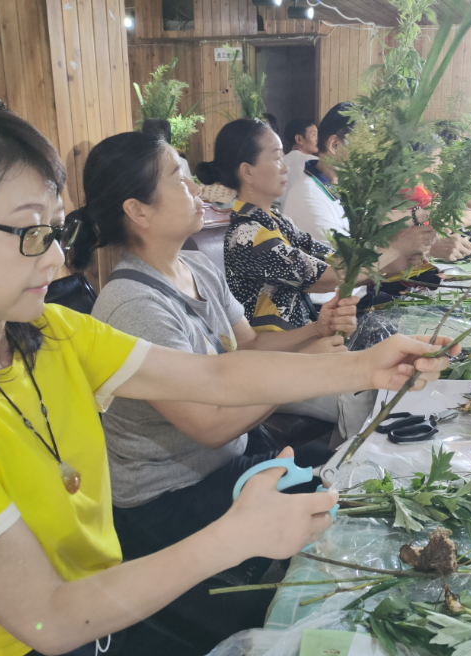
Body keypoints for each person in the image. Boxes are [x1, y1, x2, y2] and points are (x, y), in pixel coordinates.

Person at [0, 97, 458, 656]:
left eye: (55, 230)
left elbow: (217, 378)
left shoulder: (55, 335)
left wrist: (363, 364)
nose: (52, 259)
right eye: (27, 234)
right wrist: (234, 534)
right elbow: (48, 617)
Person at [73, 130, 358, 651]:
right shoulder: (132, 305)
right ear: (138, 210)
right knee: (317, 541)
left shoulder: (196, 265)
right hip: (170, 496)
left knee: (343, 479)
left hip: (232, 457)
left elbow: (246, 350)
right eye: (179, 179)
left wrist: (313, 333)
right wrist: (305, 371)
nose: (198, 187)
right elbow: (209, 425)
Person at [198, 117, 432, 331]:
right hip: (277, 357)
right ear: (247, 171)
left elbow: (337, 258)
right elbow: (328, 277)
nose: (285, 167)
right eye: (277, 157)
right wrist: (397, 248)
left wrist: (400, 259)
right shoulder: (247, 235)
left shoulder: (277, 222)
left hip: (302, 338)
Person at [283, 103, 469, 272]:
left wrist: (422, 219)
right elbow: (344, 271)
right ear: (334, 144)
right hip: (332, 305)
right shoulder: (308, 195)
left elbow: (373, 224)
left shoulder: (345, 186)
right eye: (367, 146)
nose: (375, 157)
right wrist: (408, 247)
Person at [278, 118, 318, 207]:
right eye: (314, 135)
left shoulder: (281, 161)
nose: (317, 139)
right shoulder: (313, 161)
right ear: (299, 139)